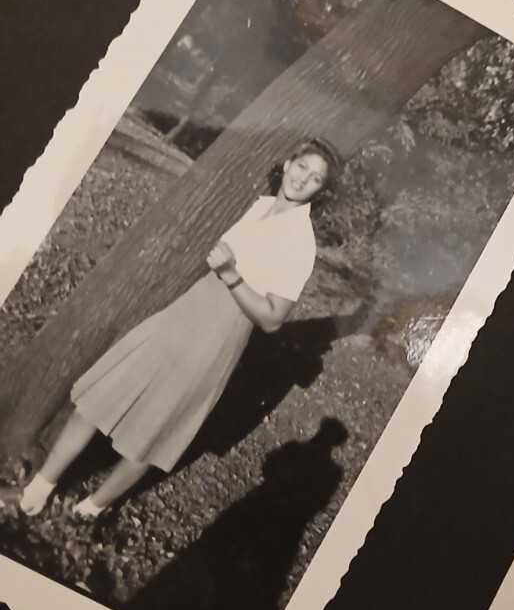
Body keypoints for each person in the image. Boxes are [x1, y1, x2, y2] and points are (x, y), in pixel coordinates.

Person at [16, 138, 339, 521]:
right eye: (302, 167)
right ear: (288, 164)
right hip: (183, 314)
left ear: (320, 191)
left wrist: (233, 275)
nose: (304, 179)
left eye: (316, 178)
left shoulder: (301, 243)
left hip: (216, 339)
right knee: (98, 397)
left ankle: (91, 509)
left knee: (151, 434)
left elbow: (272, 319)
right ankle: (43, 484)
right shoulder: (262, 206)